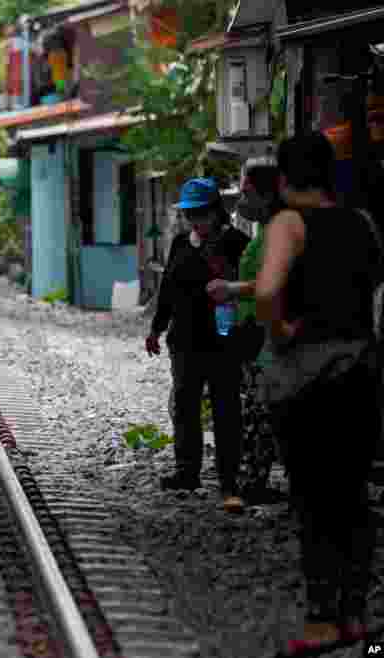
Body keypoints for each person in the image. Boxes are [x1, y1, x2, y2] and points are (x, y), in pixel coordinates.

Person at [254, 133, 380, 653]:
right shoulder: (363, 223)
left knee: (312, 499)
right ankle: (355, 614)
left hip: (308, 380)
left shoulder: (289, 223)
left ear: (284, 180)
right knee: (352, 495)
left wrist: (281, 330)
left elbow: (265, 292)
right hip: (361, 373)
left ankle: (322, 619)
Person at [146, 177, 250, 513]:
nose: (196, 222)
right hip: (185, 342)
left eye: (201, 214)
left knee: (226, 410)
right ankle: (186, 472)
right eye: (190, 215)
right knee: (185, 406)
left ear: (217, 212)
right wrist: (156, 330)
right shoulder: (180, 244)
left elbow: (250, 290)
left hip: (224, 342)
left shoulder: (237, 243)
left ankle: (229, 479)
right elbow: (167, 292)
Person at [205, 157, 284, 502]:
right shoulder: (266, 230)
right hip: (252, 330)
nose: (241, 202)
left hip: (267, 332)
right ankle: (251, 479)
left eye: (247, 193)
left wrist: (233, 289)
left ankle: (255, 481)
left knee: (260, 411)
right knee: (253, 408)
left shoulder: (280, 231)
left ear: (267, 195)